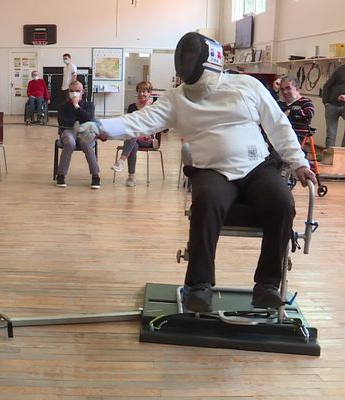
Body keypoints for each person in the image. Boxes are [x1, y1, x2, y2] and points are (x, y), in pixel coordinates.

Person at [78, 32, 316, 312]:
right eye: (185, 60)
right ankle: (200, 286)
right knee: (205, 202)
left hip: (257, 167)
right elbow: (141, 121)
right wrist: (102, 127)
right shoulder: (177, 99)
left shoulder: (246, 85)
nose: (187, 65)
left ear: (208, 61)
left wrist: (299, 162)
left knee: (282, 202)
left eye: (192, 58)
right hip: (211, 170)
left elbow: (278, 125)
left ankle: (267, 286)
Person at [111, 81, 155, 187]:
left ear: (149, 93)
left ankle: (122, 160)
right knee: (133, 144)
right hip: (134, 138)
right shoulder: (131, 107)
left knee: (132, 135)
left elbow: (156, 125)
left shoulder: (154, 107)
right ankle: (131, 176)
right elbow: (128, 124)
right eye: (139, 91)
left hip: (148, 139)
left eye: (144, 91)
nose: (141, 94)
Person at [56, 80, 100, 189]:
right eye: (71, 91)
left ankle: (95, 175)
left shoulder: (89, 105)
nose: (74, 93)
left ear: (82, 92)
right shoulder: (63, 106)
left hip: (85, 132)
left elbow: (89, 118)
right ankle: (61, 174)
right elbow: (62, 121)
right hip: (68, 131)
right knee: (70, 143)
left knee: (86, 143)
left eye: (77, 91)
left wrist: (77, 107)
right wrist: (76, 121)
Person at [321, 64, 345, 147]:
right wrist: (325, 102)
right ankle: (329, 156)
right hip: (332, 105)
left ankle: (342, 154)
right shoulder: (340, 70)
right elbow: (327, 85)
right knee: (331, 134)